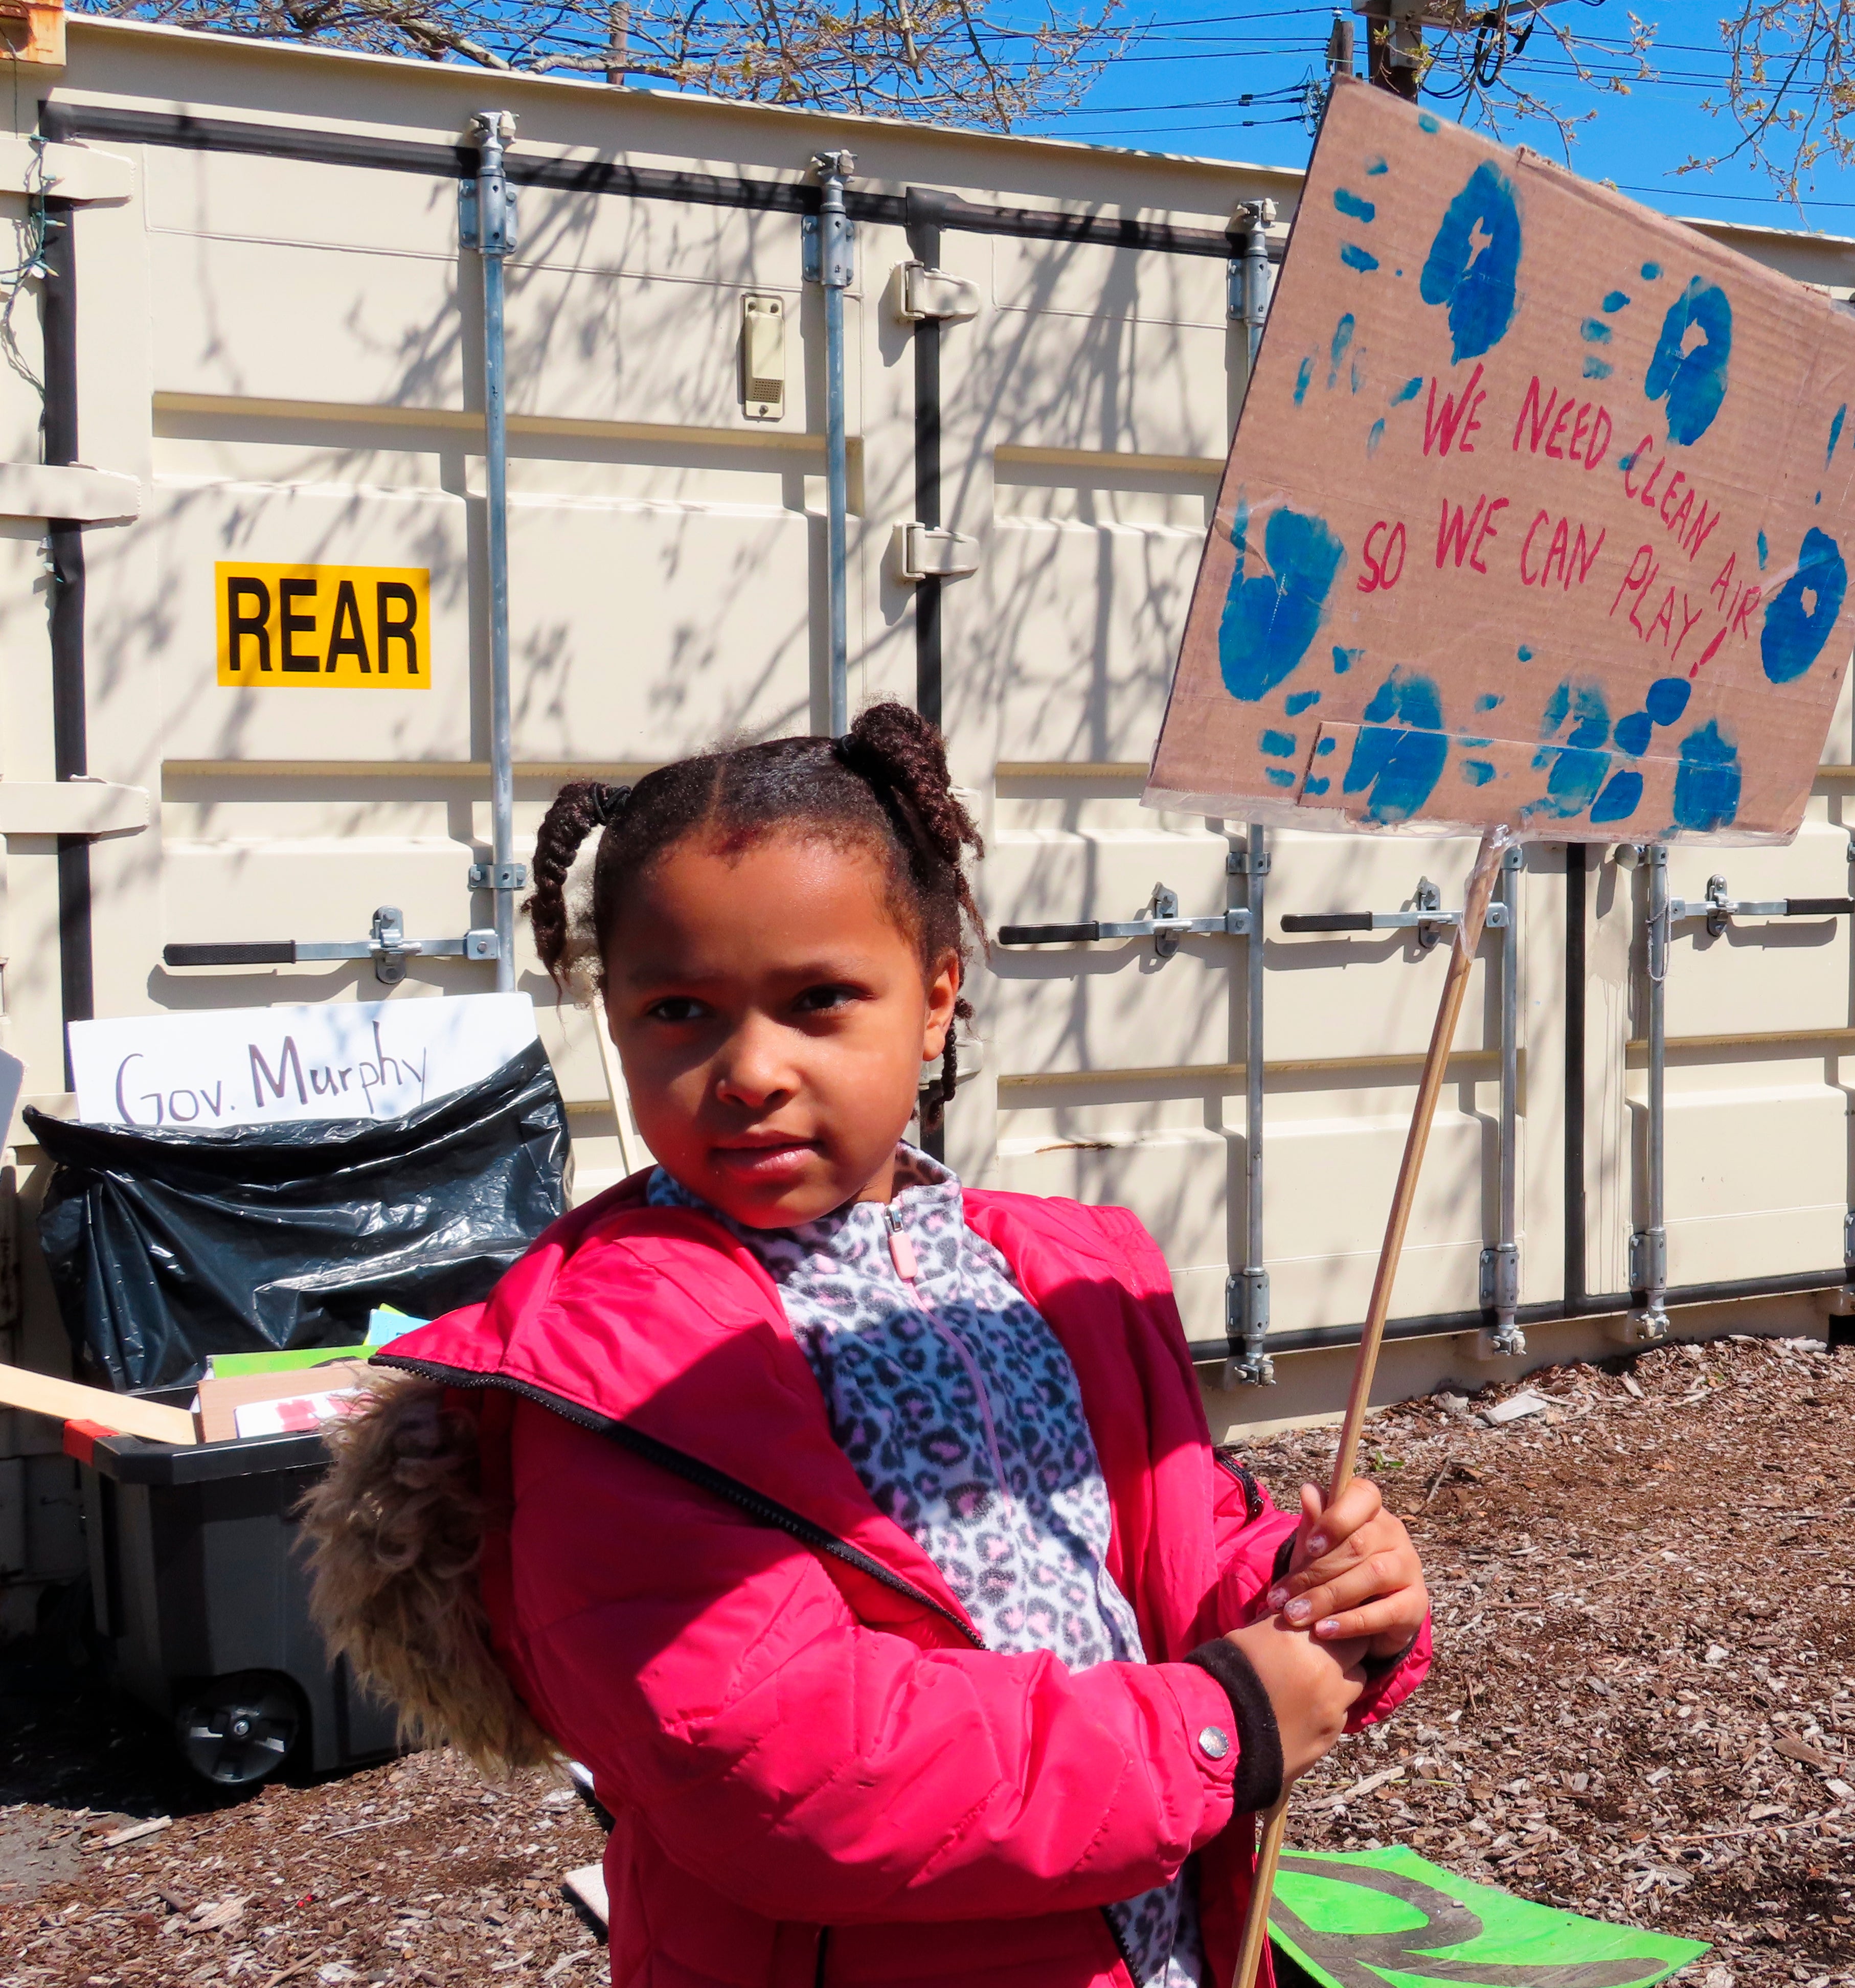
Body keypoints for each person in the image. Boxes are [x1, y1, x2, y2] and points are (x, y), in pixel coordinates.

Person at [302, 702, 1434, 1988]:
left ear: (937, 998)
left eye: (819, 1000)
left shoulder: (1061, 1276)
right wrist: (1224, 1722)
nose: (751, 1069)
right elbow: (789, 1770)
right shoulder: (621, 1374)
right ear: (613, 1019)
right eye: (680, 1010)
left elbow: (1156, 1552)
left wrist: (1309, 1591)